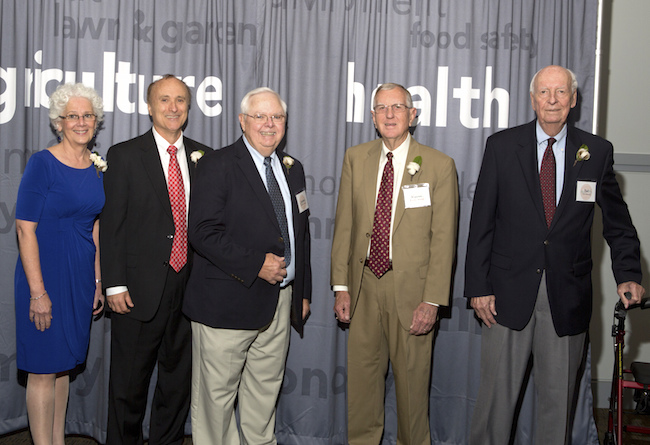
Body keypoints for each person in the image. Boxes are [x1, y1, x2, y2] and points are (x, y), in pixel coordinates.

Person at [465, 65, 646, 444]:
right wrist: (478, 286)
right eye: (544, 93)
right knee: (494, 407)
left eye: (561, 92)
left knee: (557, 408)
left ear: (573, 100)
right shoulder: (501, 146)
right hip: (506, 296)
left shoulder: (596, 152)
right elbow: (482, 222)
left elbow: (618, 222)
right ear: (532, 99)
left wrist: (628, 273)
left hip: (567, 296)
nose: (552, 100)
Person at [331, 82, 459, 444]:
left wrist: (432, 300)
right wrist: (341, 287)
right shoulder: (356, 158)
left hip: (413, 295)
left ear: (412, 115)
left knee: (412, 396)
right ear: (372, 117)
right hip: (363, 289)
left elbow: (443, 239)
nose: (389, 114)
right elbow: (345, 226)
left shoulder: (439, 165)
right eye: (382, 108)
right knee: (361, 390)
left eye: (397, 107)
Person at [182, 87, 312, 444]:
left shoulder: (292, 169)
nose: (269, 124)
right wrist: (256, 264)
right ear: (243, 121)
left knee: (264, 395)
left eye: (277, 117)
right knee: (216, 402)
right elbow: (203, 233)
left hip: (279, 301)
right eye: (260, 116)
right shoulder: (216, 164)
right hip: (227, 302)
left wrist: (301, 291)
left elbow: (301, 236)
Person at [100, 75, 210, 445]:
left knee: (177, 387)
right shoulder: (125, 155)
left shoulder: (204, 158)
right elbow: (112, 225)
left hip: (190, 290)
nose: (173, 107)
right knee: (128, 387)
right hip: (137, 292)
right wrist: (114, 283)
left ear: (189, 107)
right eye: (164, 100)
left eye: (180, 100)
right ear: (149, 106)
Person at [14, 82, 105, 445]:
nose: (81, 122)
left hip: (81, 277)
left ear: (95, 122)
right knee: (42, 369)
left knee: (64, 365)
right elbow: (24, 229)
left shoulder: (97, 167)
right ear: (59, 123)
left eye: (87, 116)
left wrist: (97, 281)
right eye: (73, 116)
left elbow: (94, 227)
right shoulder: (42, 163)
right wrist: (38, 292)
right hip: (45, 275)